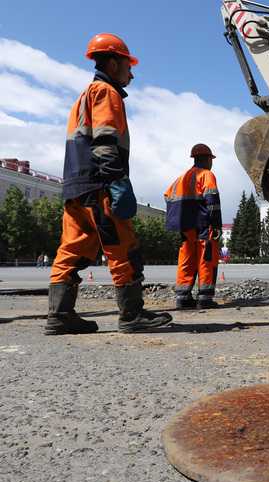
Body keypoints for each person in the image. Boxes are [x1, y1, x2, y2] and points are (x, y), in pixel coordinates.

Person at [46, 34, 172, 335]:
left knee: (72, 250)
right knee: (123, 248)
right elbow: (104, 140)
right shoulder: (106, 92)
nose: (132, 73)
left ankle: (59, 316)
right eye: (128, 66)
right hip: (100, 185)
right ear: (114, 63)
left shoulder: (83, 96)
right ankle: (132, 315)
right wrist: (116, 181)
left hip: (76, 186)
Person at [164, 144, 223, 310]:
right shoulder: (207, 175)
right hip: (204, 224)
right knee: (207, 258)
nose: (211, 163)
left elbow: (168, 196)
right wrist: (216, 225)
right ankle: (205, 298)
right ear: (206, 159)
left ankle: (183, 297)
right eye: (211, 160)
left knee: (186, 259)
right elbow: (212, 203)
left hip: (186, 226)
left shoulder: (182, 177)